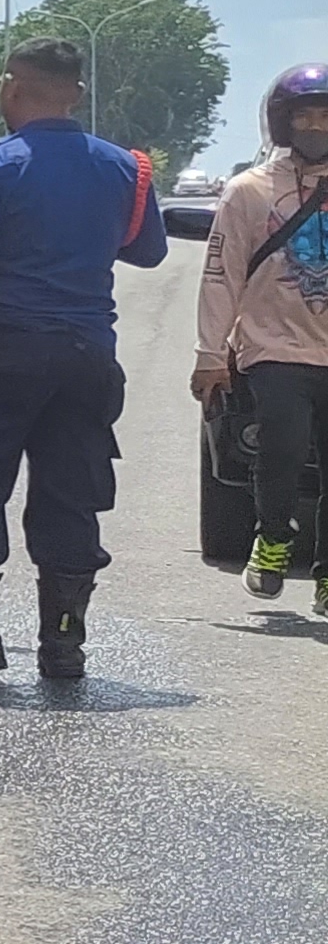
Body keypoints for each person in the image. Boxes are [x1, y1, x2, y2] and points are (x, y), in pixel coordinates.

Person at [0, 40, 164, 681]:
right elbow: (149, 253)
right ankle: (63, 647)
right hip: (87, 355)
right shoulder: (124, 168)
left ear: (9, 88)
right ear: (77, 94)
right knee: (70, 495)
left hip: (5, 347)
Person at [193, 60, 328, 604]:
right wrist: (209, 353)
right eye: (305, 117)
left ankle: (325, 575)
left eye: (326, 116)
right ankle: (272, 535)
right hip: (274, 348)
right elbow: (220, 275)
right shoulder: (250, 191)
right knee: (282, 450)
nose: (316, 127)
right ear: (284, 122)